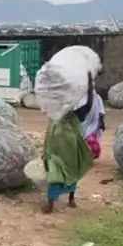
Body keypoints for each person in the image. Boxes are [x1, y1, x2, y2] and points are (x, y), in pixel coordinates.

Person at [41, 72, 94, 214]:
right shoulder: (54, 116)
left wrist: (90, 88)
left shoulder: (76, 116)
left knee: (71, 173)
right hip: (54, 152)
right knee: (54, 174)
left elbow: (89, 105)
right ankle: (50, 203)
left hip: (69, 152)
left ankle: (71, 198)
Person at [75, 89, 106, 160]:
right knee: (83, 139)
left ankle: (91, 155)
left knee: (91, 139)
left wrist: (101, 122)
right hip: (83, 122)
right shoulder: (81, 98)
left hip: (94, 122)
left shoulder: (97, 98)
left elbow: (101, 112)